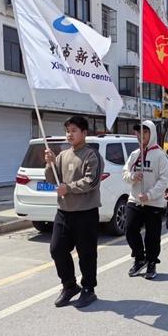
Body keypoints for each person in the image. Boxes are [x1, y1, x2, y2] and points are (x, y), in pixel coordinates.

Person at [44, 115, 104, 308]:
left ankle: (88, 289)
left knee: (86, 253)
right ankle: (69, 285)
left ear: (84, 133)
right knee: (57, 249)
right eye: (67, 131)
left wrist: (68, 188)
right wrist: (50, 163)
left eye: (74, 131)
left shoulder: (91, 155)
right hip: (64, 211)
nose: (70, 134)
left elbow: (92, 181)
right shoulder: (63, 155)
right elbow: (53, 179)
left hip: (85, 212)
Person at [123, 120, 168, 280]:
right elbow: (125, 173)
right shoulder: (135, 154)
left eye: (145, 132)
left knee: (152, 235)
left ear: (152, 134)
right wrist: (132, 176)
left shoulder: (160, 155)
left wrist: (149, 195)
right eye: (138, 133)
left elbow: (164, 181)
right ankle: (139, 257)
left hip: (153, 202)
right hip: (135, 199)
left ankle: (151, 262)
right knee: (129, 229)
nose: (141, 136)